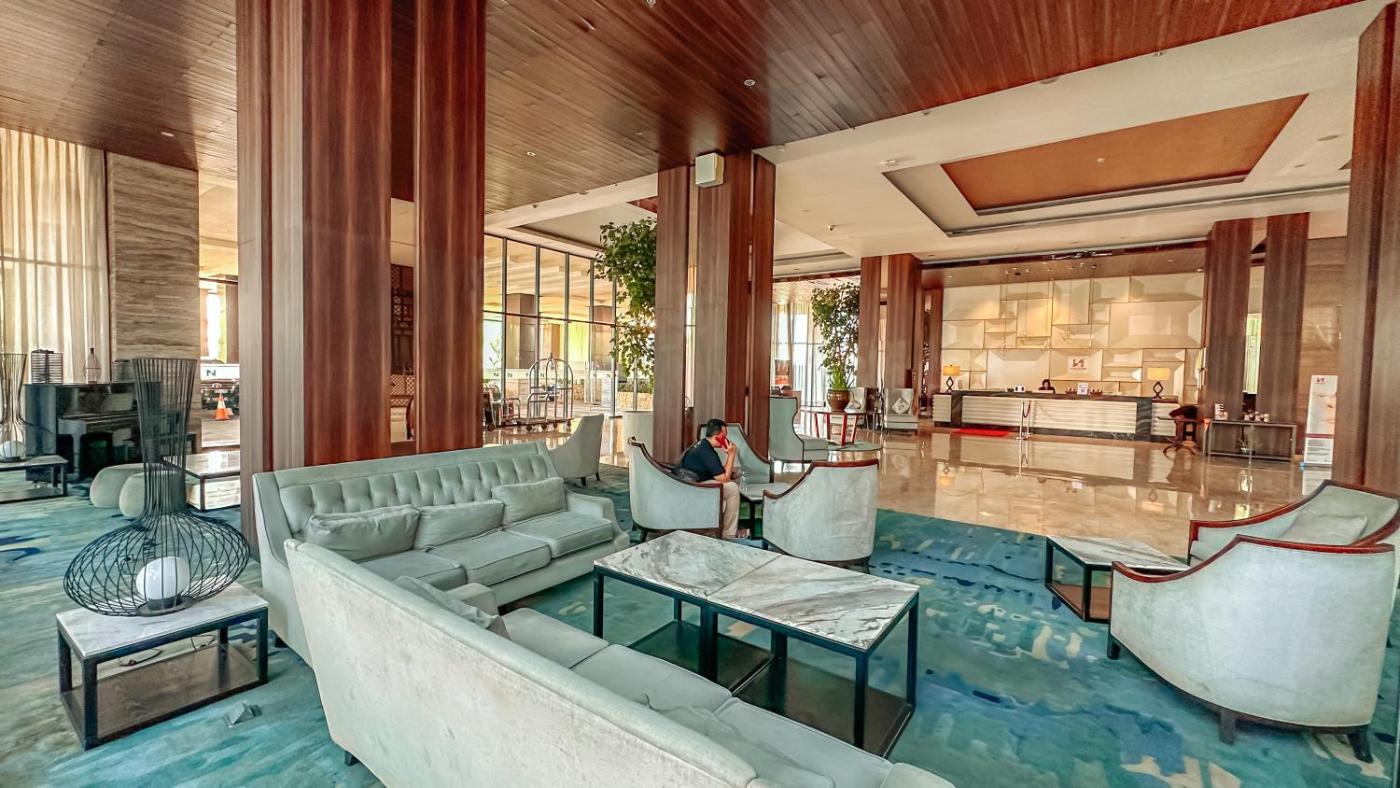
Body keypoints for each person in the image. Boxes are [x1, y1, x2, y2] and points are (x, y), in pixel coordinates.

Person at [678, 418, 744, 538]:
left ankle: (721, 529)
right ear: (719, 437)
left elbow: (718, 472)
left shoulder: (703, 445)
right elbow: (723, 478)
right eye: (725, 436)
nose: (727, 439)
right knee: (733, 489)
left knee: (730, 484)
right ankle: (728, 534)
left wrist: (731, 473)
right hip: (693, 487)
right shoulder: (706, 452)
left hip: (693, 482)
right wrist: (731, 454)